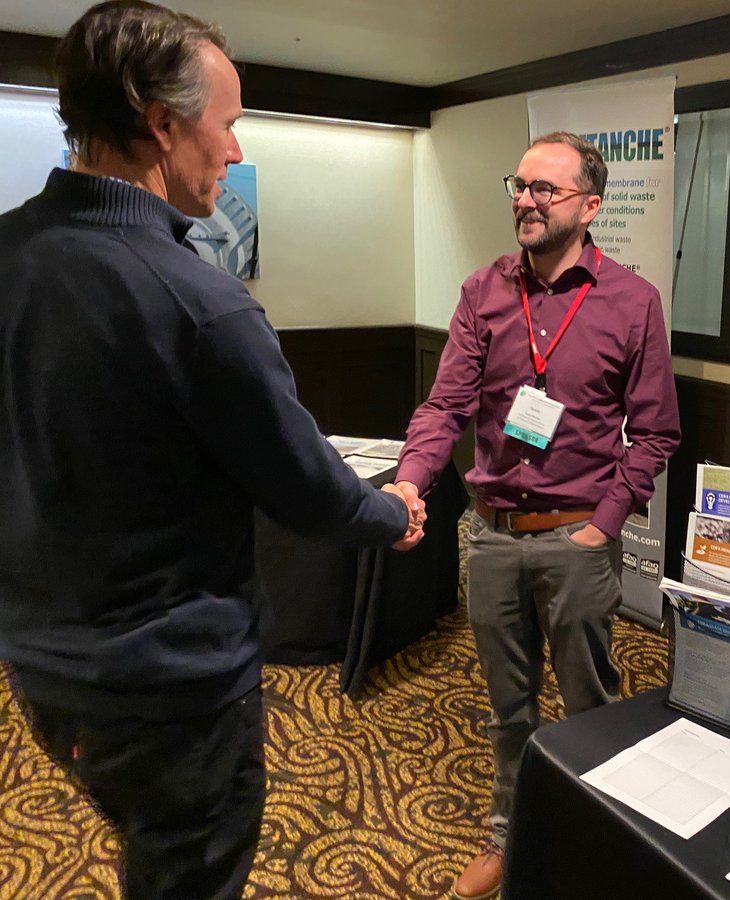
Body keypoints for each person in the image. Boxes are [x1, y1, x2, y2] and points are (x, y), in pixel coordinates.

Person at [0, 2, 424, 896]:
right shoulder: (200, 303)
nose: (235, 151)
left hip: (39, 670)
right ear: (162, 125)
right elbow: (310, 491)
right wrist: (391, 513)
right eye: (227, 124)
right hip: (171, 696)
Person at [393, 131, 680, 899]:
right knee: (507, 708)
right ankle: (507, 831)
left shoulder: (632, 302)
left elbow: (656, 432)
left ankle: (598, 838)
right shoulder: (483, 291)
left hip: (577, 539)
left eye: (544, 189)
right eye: (519, 186)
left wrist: (603, 525)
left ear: (590, 206)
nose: (525, 200)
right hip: (491, 535)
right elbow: (446, 405)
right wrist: (411, 481)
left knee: (590, 703)